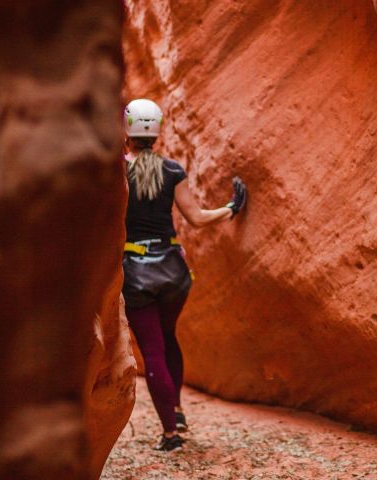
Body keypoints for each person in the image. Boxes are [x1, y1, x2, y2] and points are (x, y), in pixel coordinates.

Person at [121, 98, 247, 451]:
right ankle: (176, 411)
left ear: (126, 130)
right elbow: (197, 217)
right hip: (173, 270)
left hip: (136, 274)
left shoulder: (118, 173)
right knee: (168, 336)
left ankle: (170, 436)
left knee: (153, 352)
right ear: (157, 131)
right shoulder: (172, 170)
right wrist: (232, 208)